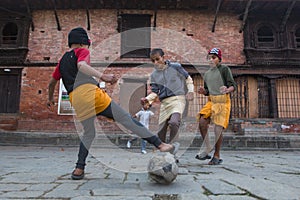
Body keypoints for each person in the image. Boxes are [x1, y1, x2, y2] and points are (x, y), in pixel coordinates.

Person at [46, 27, 179, 180]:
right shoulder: (82, 51)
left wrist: (49, 99)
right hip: (90, 94)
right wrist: (104, 77)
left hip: (76, 99)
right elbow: (81, 65)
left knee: (88, 133)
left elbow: (51, 83)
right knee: (126, 119)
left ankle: (79, 168)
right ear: (84, 42)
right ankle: (161, 145)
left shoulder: (62, 60)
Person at [141, 48, 194, 144]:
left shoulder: (176, 67)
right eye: (153, 61)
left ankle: (174, 146)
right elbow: (155, 92)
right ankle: (163, 152)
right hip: (165, 103)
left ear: (163, 57)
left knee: (174, 122)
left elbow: (188, 78)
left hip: (178, 99)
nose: (156, 62)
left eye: (157, 59)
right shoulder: (154, 75)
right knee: (161, 132)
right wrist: (147, 99)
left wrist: (190, 91)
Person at [195, 47, 237, 165]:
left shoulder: (224, 69)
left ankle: (217, 155)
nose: (211, 60)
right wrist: (204, 91)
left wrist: (227, 89)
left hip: (223, 101)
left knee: (217, 128)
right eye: (209, 58)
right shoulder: (207, 74)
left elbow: (233, 85)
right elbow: (208, 90)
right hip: (211, 101)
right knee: (202, 122)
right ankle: (208, 147)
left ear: (219, 59)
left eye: (213, 58)